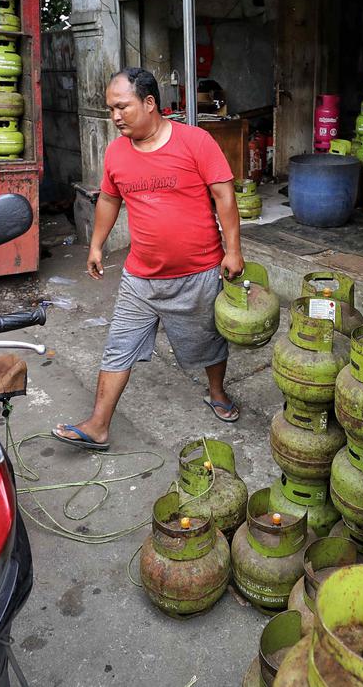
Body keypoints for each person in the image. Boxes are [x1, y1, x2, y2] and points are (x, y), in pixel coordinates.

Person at [53, 68, 244, 450]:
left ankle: (217, 392)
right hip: (140, 277)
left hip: (198, 271)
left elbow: (224, 195)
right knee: (118, 345)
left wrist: (234, 250)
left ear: (150, 103)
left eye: (122, 107)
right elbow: (109, 199)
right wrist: (96, 245)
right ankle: (98, 424)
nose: (116, 117)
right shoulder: (115, 152)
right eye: (111, 110)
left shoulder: (196, 142)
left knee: (207, 340)